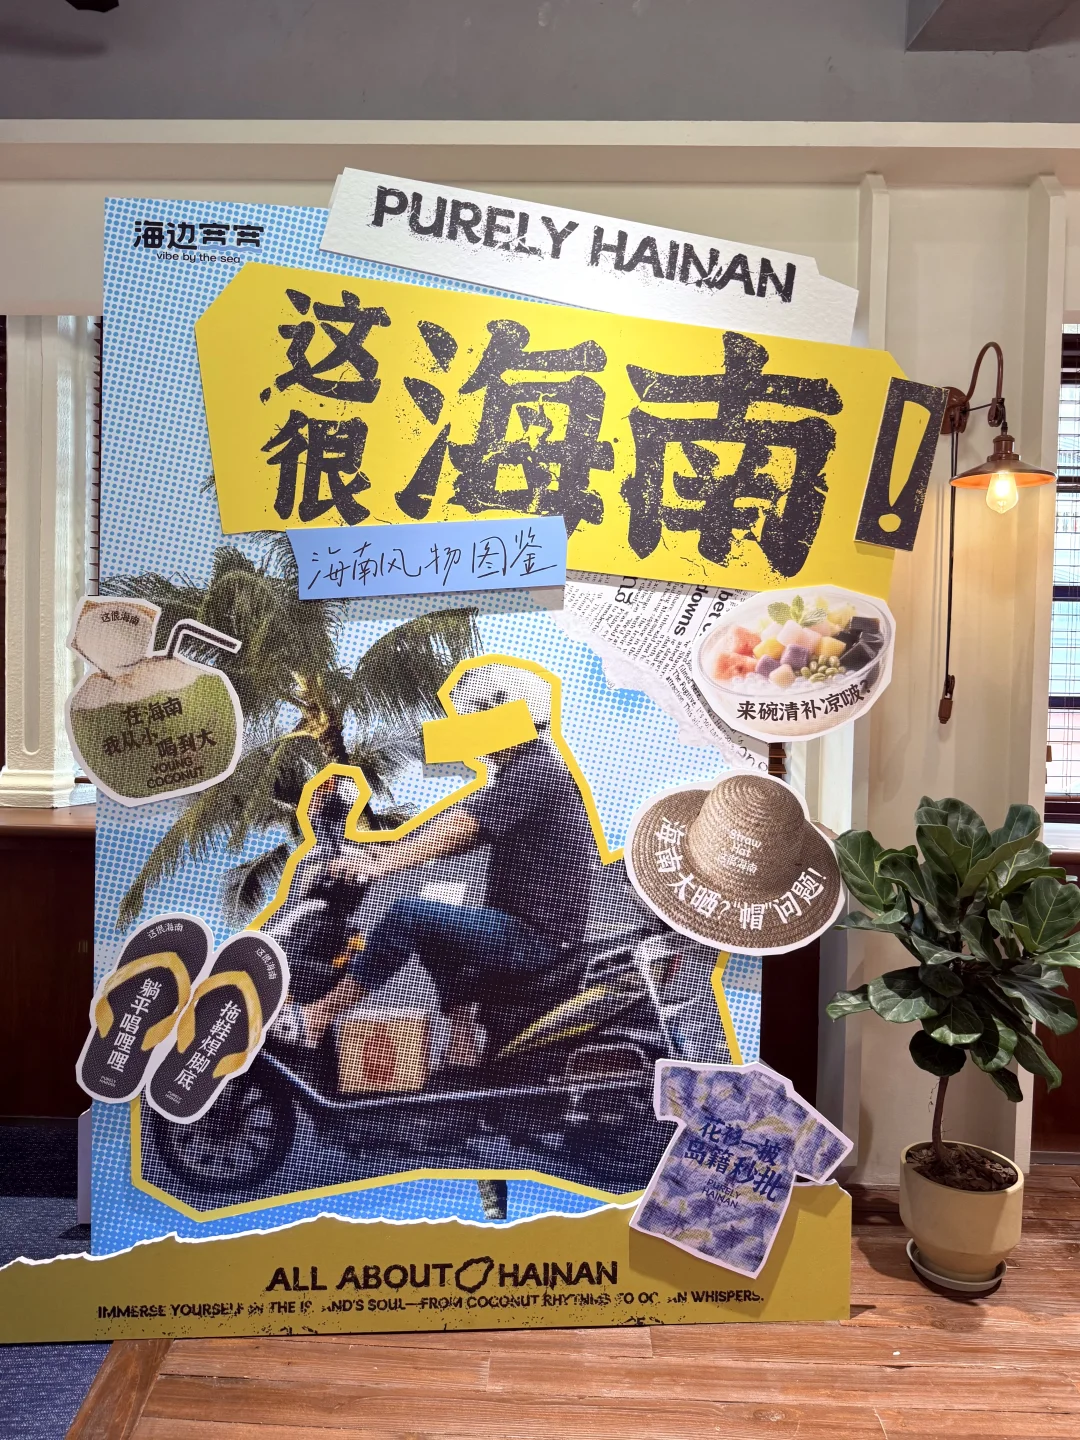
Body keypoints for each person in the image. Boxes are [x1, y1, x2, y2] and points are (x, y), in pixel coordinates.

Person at [297, 663, 599, 1058]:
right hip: (527, 931)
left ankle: (316, 1017)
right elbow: (451, 827)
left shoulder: (535, 770)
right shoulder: (523, 771)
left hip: (536, 939)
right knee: (436, 928)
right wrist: (371, 852)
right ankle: (464, 1044)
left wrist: (380, 865)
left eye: (479, 719)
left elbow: (463, 827)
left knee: (407, 915)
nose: (473, 732)